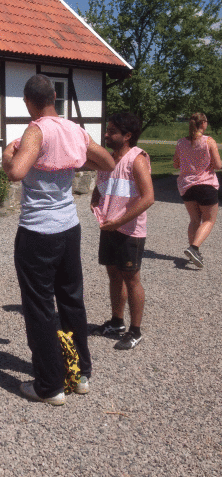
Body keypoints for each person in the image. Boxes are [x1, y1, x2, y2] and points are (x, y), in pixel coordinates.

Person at [2, 75, 115, 406]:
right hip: (69, 227)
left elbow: (17, 172)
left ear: (28, 102)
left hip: (38, 230)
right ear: (54, 97)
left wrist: (10, 156)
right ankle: (79, 373)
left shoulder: (36, 130)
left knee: (39, 307)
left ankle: (49, 385)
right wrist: (78, 157)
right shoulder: (74, 129)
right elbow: (107, 161)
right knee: (71, 300)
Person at [91, 113, 154, 350]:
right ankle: (117, 321)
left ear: (127, 136)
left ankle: (135, 330)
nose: (106, 135)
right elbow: (103, 184)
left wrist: (119, 222)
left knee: (132, 278)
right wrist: (95, 198)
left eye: (112, 131)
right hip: (109, 227)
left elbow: (148, 198)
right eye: (107, 130)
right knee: (114, 275)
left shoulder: (136, 159)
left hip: (129, 230)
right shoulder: (107, 159)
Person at [173, 112, 221, 268]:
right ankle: (193, 248)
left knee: (194, 220)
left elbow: (176, 164)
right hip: (206, 185)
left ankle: (193, 252)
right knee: (209, 220)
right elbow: (218, 165)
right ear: (204, 123)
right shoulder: (209, 142)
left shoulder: (181, 143)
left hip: (187, 187)